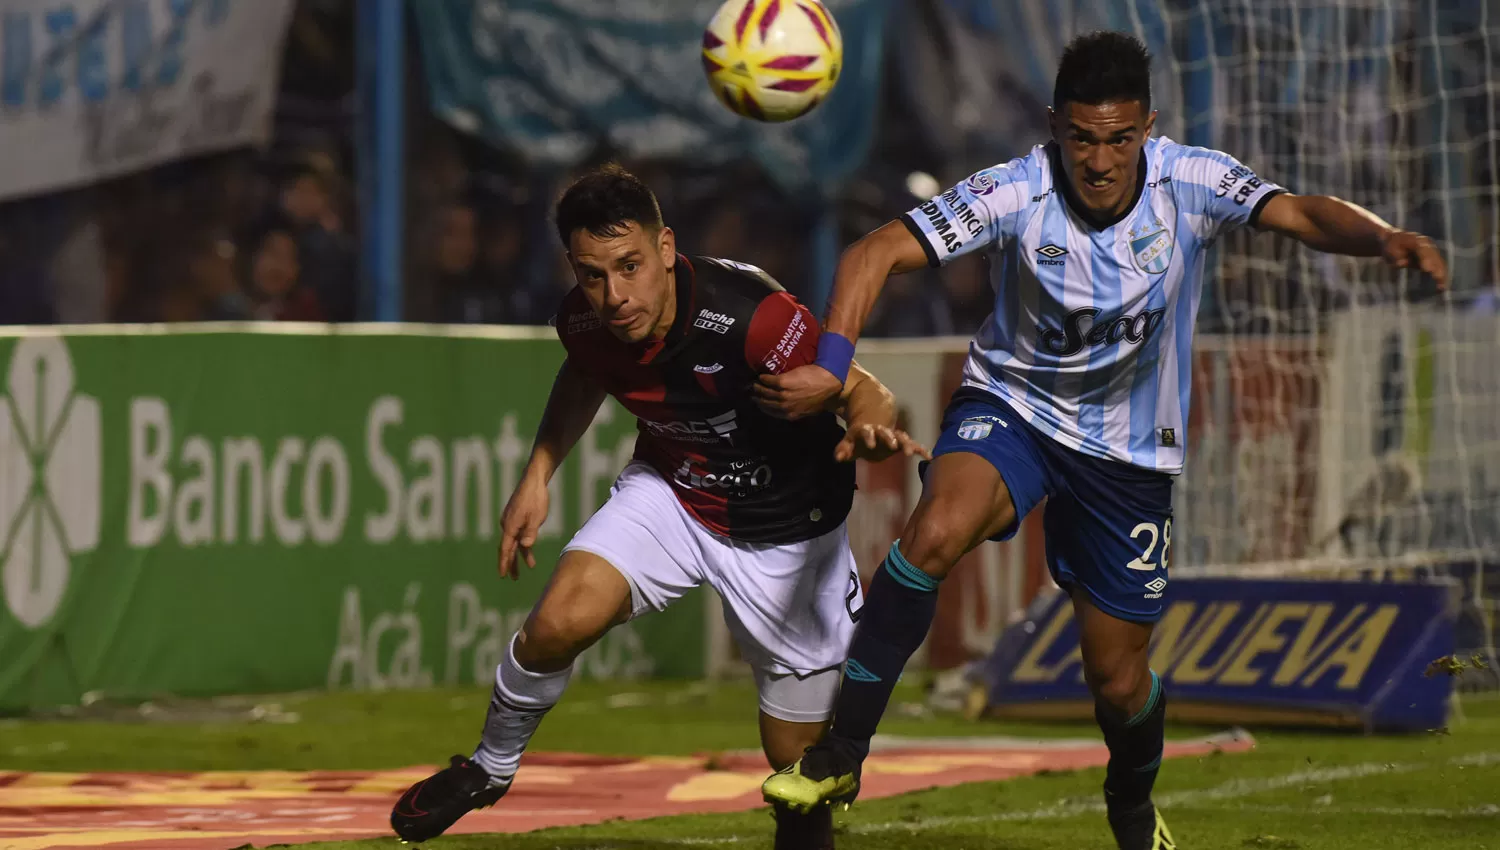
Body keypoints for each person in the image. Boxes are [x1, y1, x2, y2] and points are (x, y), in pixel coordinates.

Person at [757, 31, 1448, 850]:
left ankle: (1130, 804)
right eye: (1082, 138)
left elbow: (1296, 213)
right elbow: (873, 253)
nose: (1100, 160)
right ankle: (842, 752)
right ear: (1056, 127)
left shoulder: (1192, 181)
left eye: (1120, 139)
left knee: (1117, 679)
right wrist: (835, 367)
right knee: (934, 531)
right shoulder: (1014, 191)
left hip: (1129, 455)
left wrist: (1381, 238)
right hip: (1012, 409)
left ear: (1147, 130)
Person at [390, 164, 927, 850]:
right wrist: (538, 474)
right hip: (675, 495)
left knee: (796, 771)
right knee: (556, 622)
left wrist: (867, 424)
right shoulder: (584, 321)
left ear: (667, 248)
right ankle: (488, 769)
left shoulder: (752, 316)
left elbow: (861, 386)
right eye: (592, 274)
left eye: (630, 265)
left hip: (789, 538)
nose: (615, 295)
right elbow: (586, 371)